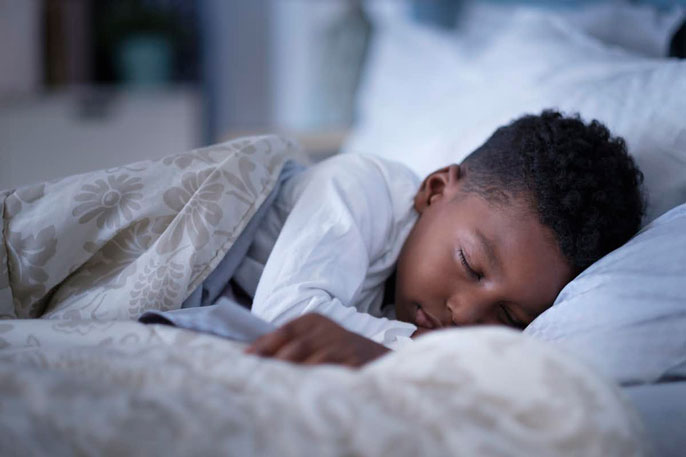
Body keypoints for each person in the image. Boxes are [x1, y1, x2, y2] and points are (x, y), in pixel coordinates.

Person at [151, 110, 645, 367]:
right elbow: (284, 314)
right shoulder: (362, 186)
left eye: (509, 317)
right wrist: (413, 353)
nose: (467, 316)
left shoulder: (411, 307)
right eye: (471, 265)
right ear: (434, 191)